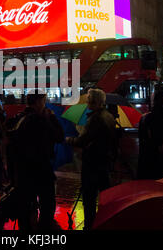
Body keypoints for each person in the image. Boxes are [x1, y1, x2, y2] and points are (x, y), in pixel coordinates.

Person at [66, 89, 117, 230]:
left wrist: (70, 140)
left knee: (89, 200)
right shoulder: (109, 116)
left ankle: (90, 225)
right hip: (104, 162)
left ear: (94, 102)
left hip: (92, 163)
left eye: (88, 99)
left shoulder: (95, 119)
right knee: (105, 196)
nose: (87, 101)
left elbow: (82, 140)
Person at [13, 93, 64, 230]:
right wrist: (52, 117)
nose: (45, 104)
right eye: (43, 101)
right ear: (37, 102)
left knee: (27, 203)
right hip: (41, 168)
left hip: (24, 169)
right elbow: (59, 136)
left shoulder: (20, 118)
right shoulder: (40, 120)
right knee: (47, 202)